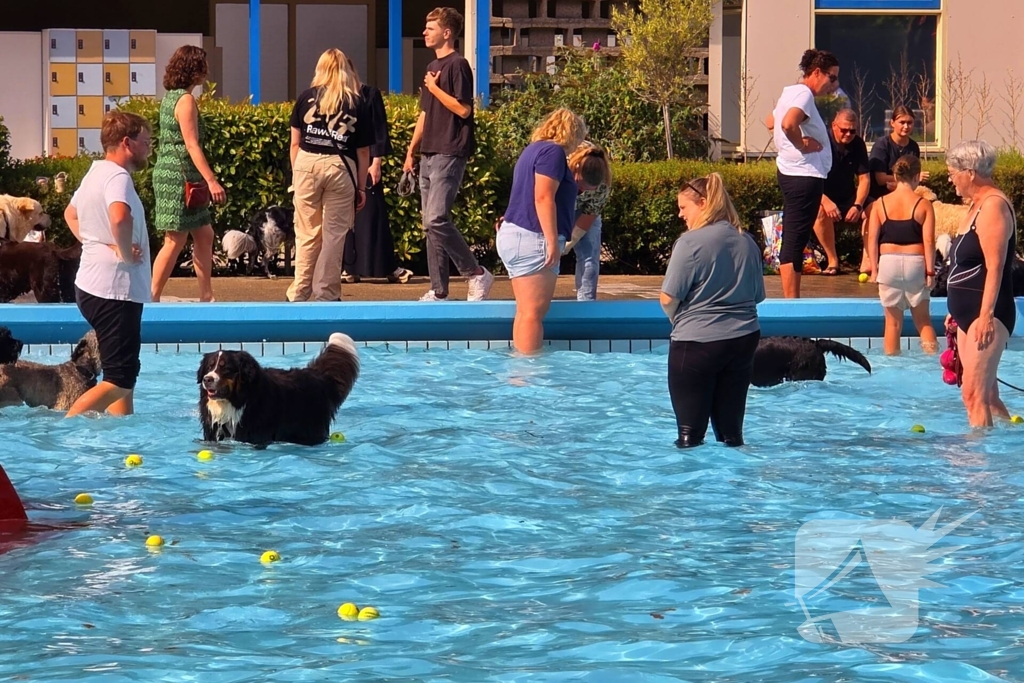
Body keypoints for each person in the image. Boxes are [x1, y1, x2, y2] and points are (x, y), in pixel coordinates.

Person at [660, 173, 765, 448]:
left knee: (690, 436)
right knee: (732, 436)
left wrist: (678, 320)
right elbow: (758, 296)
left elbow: (668, 298)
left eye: (684, 207)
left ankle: (689, 489)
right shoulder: (748, 241)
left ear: (703, 203)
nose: (680, 215)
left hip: (696, 343)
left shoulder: (690, 243)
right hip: (743, 340)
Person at [63, 111, 152, 417]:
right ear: (127, 143)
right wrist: (125, 253)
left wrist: (97, 242)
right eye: (145, 142)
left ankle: (122, 429)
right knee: (119, 377)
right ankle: (66, 429)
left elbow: (70, 214)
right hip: (115, 291)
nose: (149, 148)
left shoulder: (95, 172)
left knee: (123, 373)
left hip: (92, 286)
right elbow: (119, 217)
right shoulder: (118, 176)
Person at [403, 7, 494, 302]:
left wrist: (434, 87)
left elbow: (464, 109)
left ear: (447, 32)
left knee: (436, 219)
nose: (424, 32)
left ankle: (476, 274)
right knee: (430, 226)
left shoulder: (458, 65)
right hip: (429, 152)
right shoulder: (432, 66)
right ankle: (438, 289)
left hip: (450, 151)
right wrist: (410, 150)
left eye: (430, 28)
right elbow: (425, 113)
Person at [496, 108, 590, 354]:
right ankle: (530, 376)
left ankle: (520, 369)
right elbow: (543, 196)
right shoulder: (553, 153)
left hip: (516, 234)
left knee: (525, 311)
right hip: (533, 237)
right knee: (532, 314)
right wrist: (551, 241)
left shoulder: (532, 150)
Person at [287, 48, 373, 302]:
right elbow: (363, 151)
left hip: (305, 163)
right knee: (334, 234)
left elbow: (295, 143)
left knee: (306, 233)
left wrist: (298, 174)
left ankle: (299, 291)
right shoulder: (357, 102)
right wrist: (361, 187)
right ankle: (326, 293)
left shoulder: (306, 98)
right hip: (340, 166)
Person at [945, 140, 1017, 428]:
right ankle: (1013, 441)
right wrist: (955, 310)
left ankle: (980, 466)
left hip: (986, 312)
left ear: (970, 172)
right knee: (986, 395)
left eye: (953, 174)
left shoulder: (993, 206)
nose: (951, 180)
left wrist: (986, 315)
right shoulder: (975, 206)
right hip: (967, 313)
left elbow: (995, 266)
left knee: (973, 395)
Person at [151, 45, 225, 303]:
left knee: (204, 235)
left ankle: (207, 296)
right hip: (179, 178)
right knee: (174, 239)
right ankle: (151, 296)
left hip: (178, 175)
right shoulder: (185, 100)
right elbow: (191, 144)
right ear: (195, 70)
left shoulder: (170, 97)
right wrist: (212, 181)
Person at [768, 48, 839, 298]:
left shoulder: (790, 92)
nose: (835, 84)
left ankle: (792, 302)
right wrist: (800, 144)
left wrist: (788, 144)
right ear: (816, 73)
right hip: (802, 176)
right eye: (832, 78)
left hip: (794, 173)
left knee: (794, 239)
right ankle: (791, 305)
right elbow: (787, 123)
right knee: (795, 242)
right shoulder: (804, 94)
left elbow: (771, 121)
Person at [341, 80, 414, 285]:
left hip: (367, 161)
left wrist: (376, 162)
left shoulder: (369, 94)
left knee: (373, 212)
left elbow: (379, 131)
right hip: (345, 162)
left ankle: (385, 266)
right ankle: (349, 267)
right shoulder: (337, 97)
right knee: (346, 215)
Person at [866, 154, 938, 356]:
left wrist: (874, 269)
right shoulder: (924, 204)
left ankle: (891, 368)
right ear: (916, 176)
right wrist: (930, 272)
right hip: (916, 262)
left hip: (888, 263)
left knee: (892, 324)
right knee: (923, 321)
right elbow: (929, 242)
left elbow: (872, 239)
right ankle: (934, 363)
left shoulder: (880, 204)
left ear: (896, 177)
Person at [815, 109, 870, 275]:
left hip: (848, 197)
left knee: (875, 210)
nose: (848, 134)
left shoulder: (858, 144)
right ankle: (833, 261)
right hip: (822, 196)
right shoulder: (821, 143)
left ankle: (867, 261)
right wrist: (826, 202)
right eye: (844, 130)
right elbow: (812, 180)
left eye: (852, 131)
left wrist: (858, 205)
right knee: (819, 212)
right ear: (833, 125)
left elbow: (864, 179)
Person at [564, 141, 612, 300]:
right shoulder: (561, 162)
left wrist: (572, 240)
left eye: (588, 189)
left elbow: (590, 214)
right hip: (556, 206)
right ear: (576, 168)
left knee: (589, 256)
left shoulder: (604, 184)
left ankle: (586, 303)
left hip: (584, 209)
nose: (582, 190)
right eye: (580, 185)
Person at [868, 106, 929, 202]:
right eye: (902, 122)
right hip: (879, 199)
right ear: (892, 123)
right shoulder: (882, 144)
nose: (906, 126)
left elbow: (914, 180)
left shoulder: (914, 147)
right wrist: (906, 181)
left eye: (909, 123)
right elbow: (881, 179)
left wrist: (900, 184)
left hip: (903, 198)